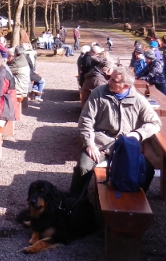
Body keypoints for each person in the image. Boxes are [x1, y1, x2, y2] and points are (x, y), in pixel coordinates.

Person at [69, 66, 161, 196]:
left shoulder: (138, 100)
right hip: (99, 145)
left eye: (114, 80)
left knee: (147, 169)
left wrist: (137, 134)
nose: (109, 82)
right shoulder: (98, 93)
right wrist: (89, 144)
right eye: (110, 78)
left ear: (126, 86)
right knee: (83, 167)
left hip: (124, 147)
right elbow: (85, 120)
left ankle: (136, 201)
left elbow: (155, 123)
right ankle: (75, 200)